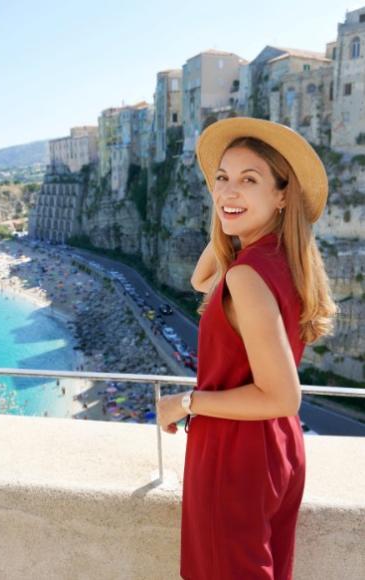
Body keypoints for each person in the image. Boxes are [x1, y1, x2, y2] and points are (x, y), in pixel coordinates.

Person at [156, 117, 339, 579]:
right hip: (277, 448)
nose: (227, 190)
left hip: (233, 454)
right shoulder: (279, 260)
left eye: (249, 180)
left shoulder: (245, 276)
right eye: (221, 178)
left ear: (282, 195)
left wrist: (185, 402)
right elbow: (200, 280)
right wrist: (231, 218)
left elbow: (282, 394)